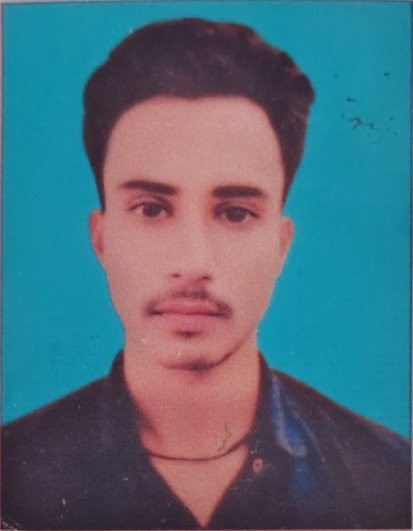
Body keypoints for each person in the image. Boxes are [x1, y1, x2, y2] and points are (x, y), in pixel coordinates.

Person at [2, 17, 410, 530]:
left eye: (235, 213)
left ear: (281, 245)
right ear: (101, 238)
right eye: (151, 209)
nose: (194, 261)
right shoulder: (10, 482)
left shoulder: (394, 482)